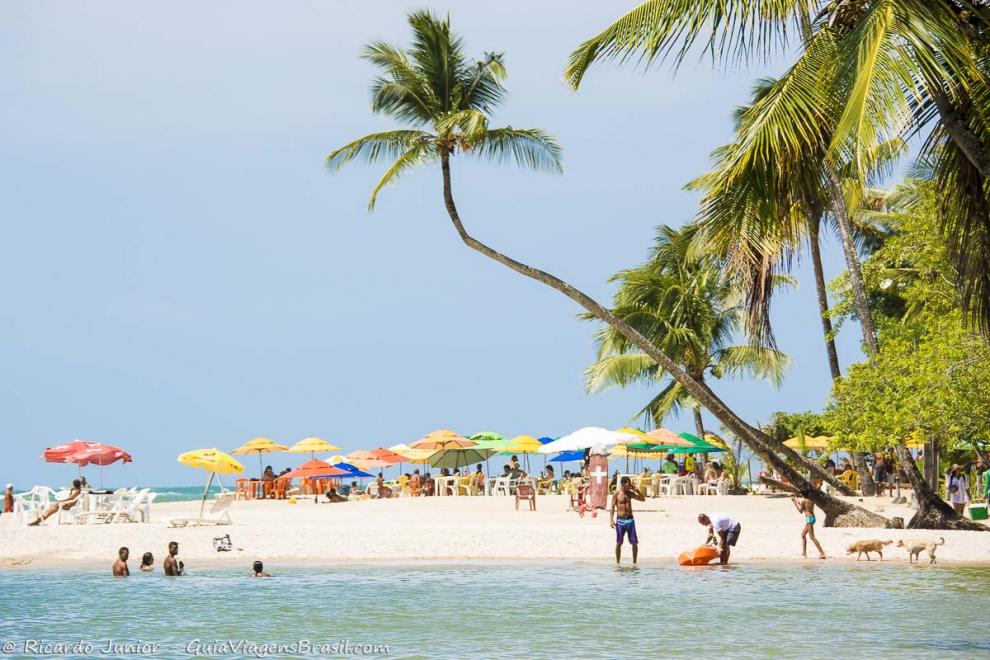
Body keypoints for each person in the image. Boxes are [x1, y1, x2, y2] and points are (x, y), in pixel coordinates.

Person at [610, 476, 645, 564]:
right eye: (628, 485)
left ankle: (634, 563)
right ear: (623, 484)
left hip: (630, 520)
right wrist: (611, 520)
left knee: (634, 542)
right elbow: (612, 507)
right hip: (620, 521)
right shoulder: (616, 494)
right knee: (619, 542)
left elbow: (642, 499)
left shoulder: (630, 493)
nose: (629, 487)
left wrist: (636, 490)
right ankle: (618, 563)